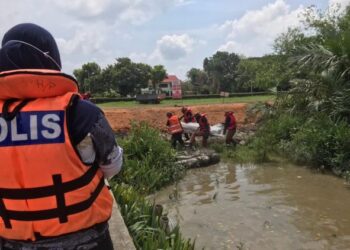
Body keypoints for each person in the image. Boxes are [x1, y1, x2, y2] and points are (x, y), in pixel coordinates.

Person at [0, 23, 123, 249]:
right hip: (86, 241)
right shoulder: (80, 112)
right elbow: (112, 165)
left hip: (12, 242)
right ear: (52, 61)